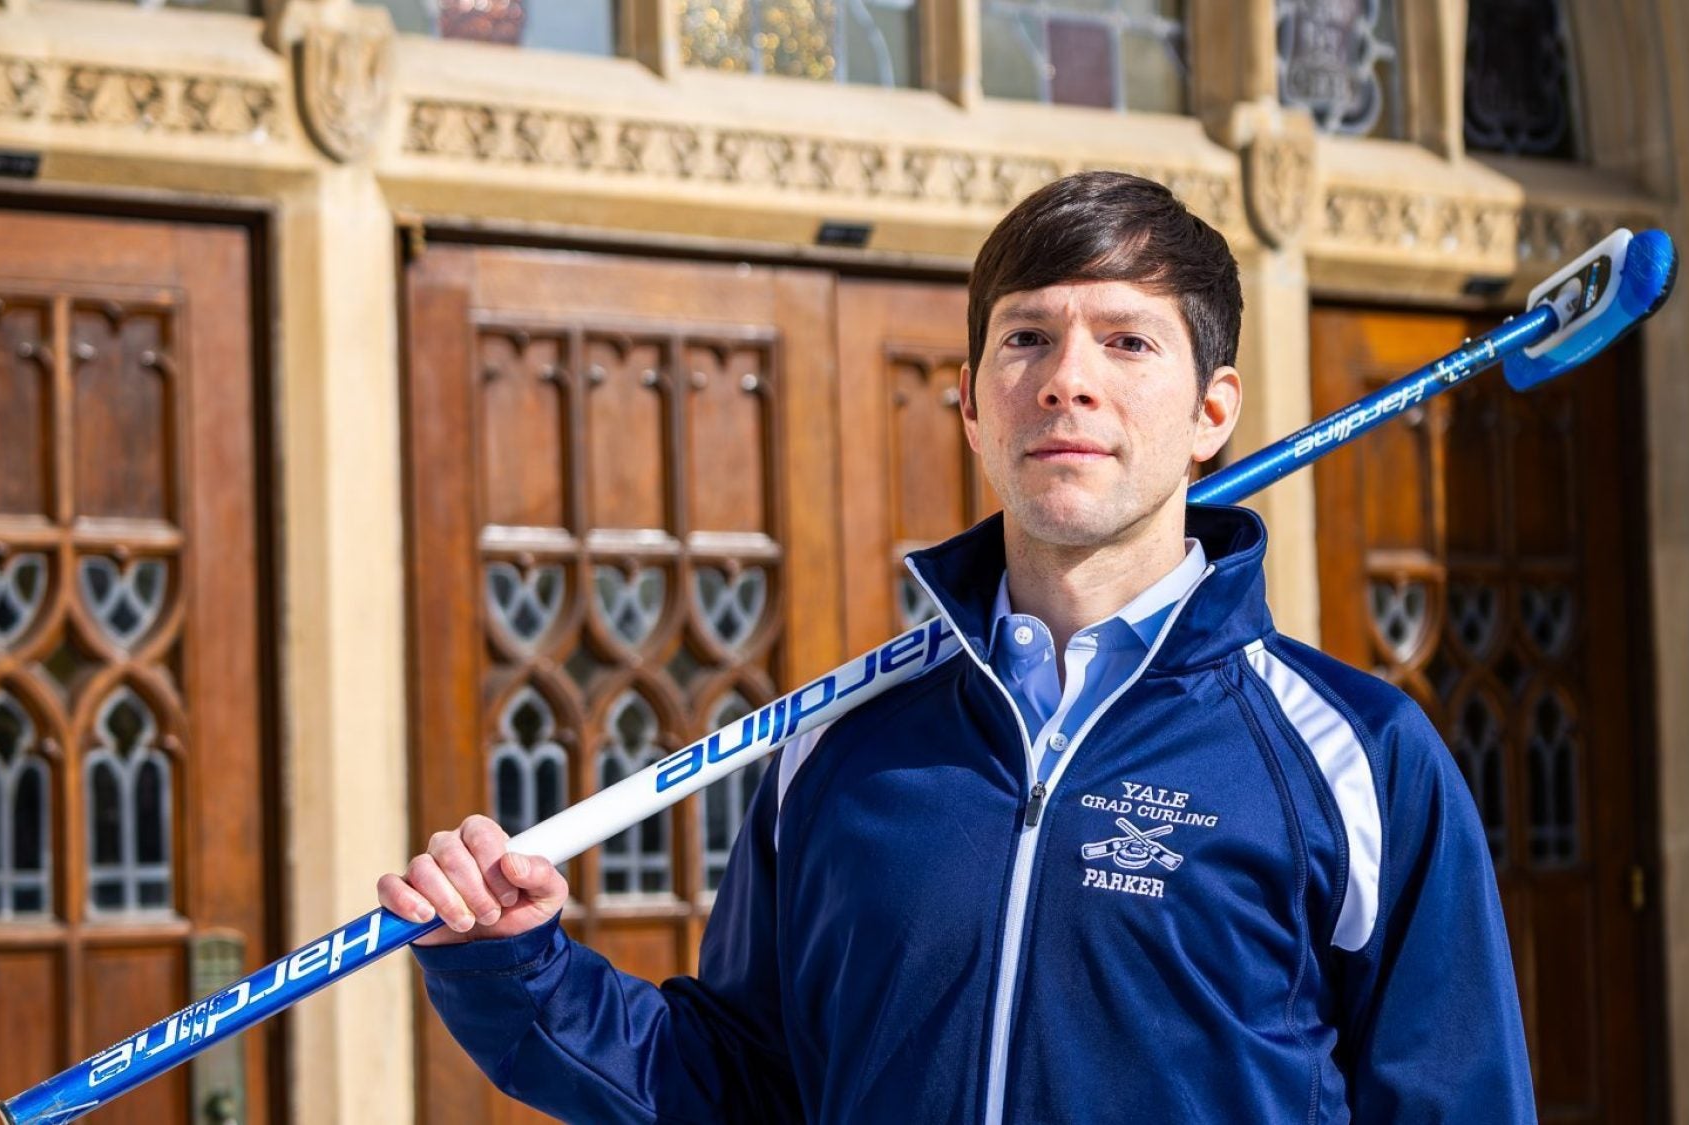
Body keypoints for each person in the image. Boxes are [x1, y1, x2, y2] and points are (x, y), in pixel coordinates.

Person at [378, 170, 1535, 1123]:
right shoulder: (834, 751)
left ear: (1211, 412)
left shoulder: (1359, 760)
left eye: (1127, 343)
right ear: (975, 408)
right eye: (1026, 338)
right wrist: (515, 968)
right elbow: (732, 1088)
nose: (1067, 381)